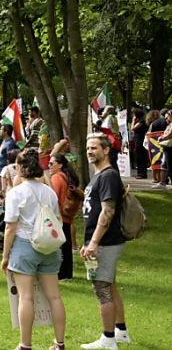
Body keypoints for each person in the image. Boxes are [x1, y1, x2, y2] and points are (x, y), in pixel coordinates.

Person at [1, 149, 67, 350]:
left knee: (26, 297)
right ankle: (60, 342)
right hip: (49, 246)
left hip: (24, 244)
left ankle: (25, 344)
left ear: (20, 168)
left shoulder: (15, 193)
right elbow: (57, 219)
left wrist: (5, 256)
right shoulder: (49, 192)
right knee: (54, 296)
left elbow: (10, 227)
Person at [80, 134, 131, 349]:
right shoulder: (99, 175)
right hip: (100, 240)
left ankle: (108, 339)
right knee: (109, 284)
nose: (90, 151)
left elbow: (107, 211)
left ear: (106, 150)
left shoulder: (108, 176)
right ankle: (121, 332)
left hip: (105, 242)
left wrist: (93, 242)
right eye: (88, 148)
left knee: (101, 287)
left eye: (94, 148)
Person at [49, 154, 79, 280]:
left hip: (59, 215)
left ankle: (61, 273)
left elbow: (52, 197)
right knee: (66, 245)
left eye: (51, 163)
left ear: (60, 165)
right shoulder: (67, 177)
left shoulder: (56, 178)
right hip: (67, 215)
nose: (49, 166)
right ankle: (67, 272)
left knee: (60, 246)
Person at [129, 109, 147, 179]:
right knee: (138, 156)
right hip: (138, 140)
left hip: (140, 140)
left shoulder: (141, 121)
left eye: (134, 114)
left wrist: (133, 120)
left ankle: (142, 173)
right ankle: (140, 173)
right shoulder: (141, 121)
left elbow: (132, 128)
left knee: (141, 156)